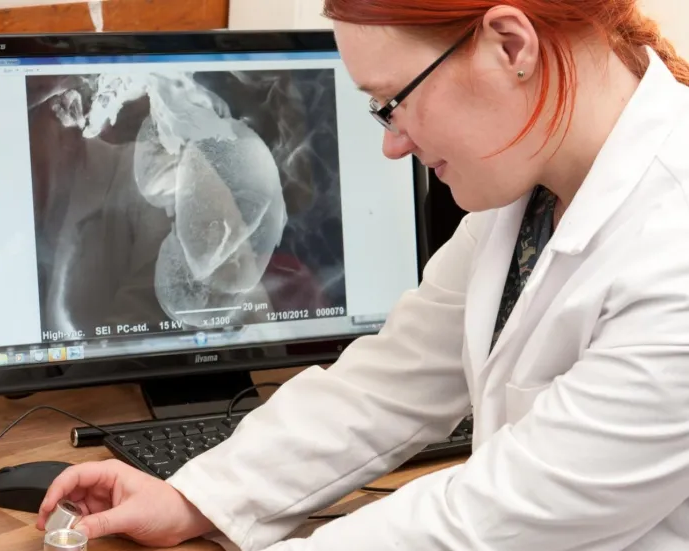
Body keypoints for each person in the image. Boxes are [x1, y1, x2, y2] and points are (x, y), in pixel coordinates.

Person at [36, 1, 689, 549]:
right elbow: (387, 383)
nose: (393, 143)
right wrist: (195, 496)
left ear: (511, 44)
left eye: (393, 101)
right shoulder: (533, 189)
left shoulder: (673, 247)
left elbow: (487, 515)